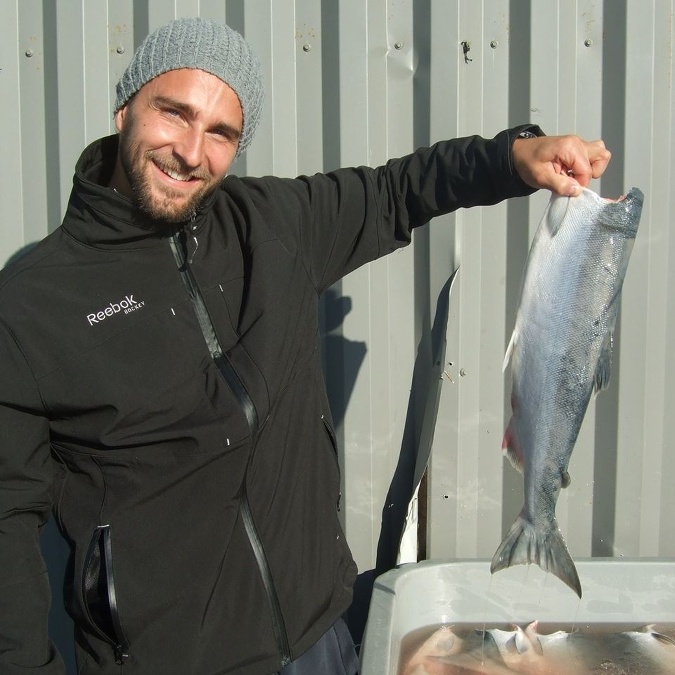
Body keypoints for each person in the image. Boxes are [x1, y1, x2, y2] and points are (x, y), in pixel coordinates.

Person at [0, 16, 610, 675]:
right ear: (126, 106)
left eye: (221, 132)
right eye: (172, 114)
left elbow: (396, 189)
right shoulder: (34, 302)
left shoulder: (271, 224)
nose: (190, 150)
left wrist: (514, 157)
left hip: (319, 639)